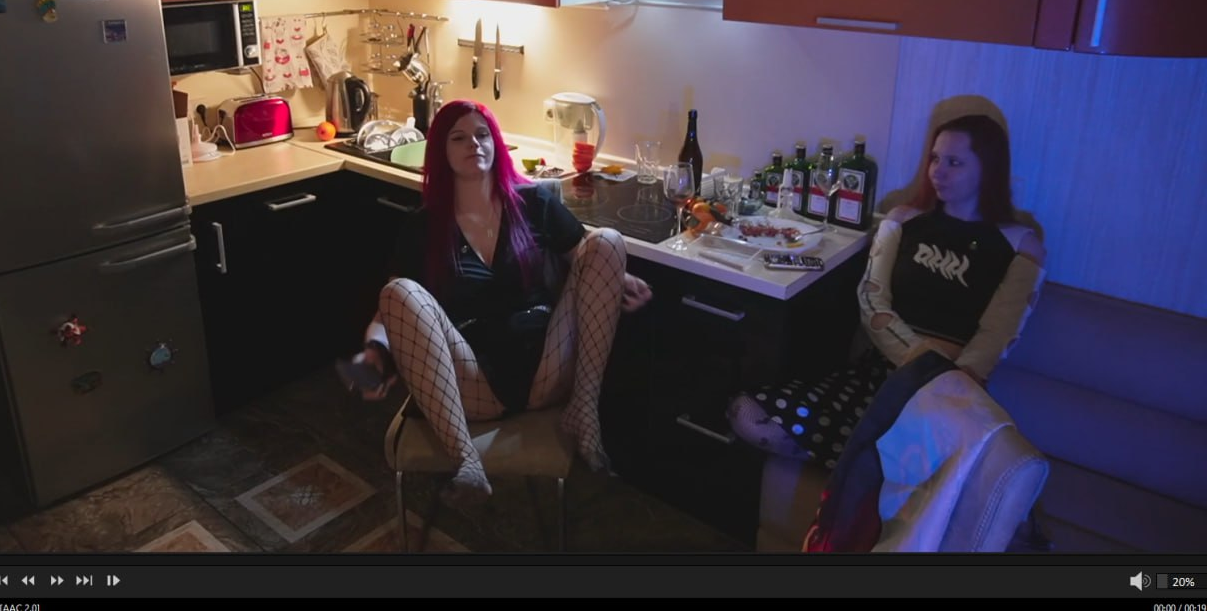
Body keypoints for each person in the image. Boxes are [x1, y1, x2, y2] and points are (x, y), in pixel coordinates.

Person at [338, 100, 652, 506]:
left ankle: (584, 409)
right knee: (397, 291)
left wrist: (617, 275)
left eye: (482, 134)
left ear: (496, 143)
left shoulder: (535, 202)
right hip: (473, 383)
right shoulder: (422, 227)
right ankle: (466, 461)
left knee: (607, 240)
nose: (474, 144)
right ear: (441, 152)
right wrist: (374, 353)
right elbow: (388, 314)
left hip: (547, 366)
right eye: (459, 138)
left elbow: (585, 256)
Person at [728, 113, 1047, 469]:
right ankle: (874, 463)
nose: (938, 172)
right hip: (880, 376)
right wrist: (919, 360)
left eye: (954, 162)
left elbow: (998, 333)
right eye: (935, 159)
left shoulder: (1021, 245)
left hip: (952, 389)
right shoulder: (903, 221)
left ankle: (877, 464)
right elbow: (871, 300)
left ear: (988, 169)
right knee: (748, 413)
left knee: (934, 449)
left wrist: (944, 378)